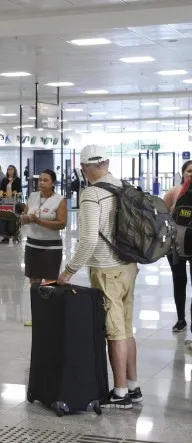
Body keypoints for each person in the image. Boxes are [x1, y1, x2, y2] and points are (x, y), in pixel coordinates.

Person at [58, 145, 140, 409]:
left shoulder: (92, 194)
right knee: (126, 327)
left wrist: (69, 270)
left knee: (114, 331)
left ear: (85, 168)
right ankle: (134, 385)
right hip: (128, 265)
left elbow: (89, 239)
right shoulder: (123, 186)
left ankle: (120, 393)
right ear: (107, 162)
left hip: (107, 269)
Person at [21, 169, 67, 326]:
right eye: (40, 179)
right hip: (32, 244)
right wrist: (25, 218)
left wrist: (40, 222)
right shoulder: (33, 196)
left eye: (45, 180)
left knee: (49, 282)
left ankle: (50, 315)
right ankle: (37, 316)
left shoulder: (59, 200)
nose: (41, 182)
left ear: (53, 183)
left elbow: (61, 224)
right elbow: (25, 215)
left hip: (51, 248)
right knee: (34, 282)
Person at [163, 160, 192, 334]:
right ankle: (181, 319)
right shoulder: (175, 191)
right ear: (183, 173)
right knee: (179, 282)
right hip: (176, 246)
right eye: (189, 171)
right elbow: (161, 213)